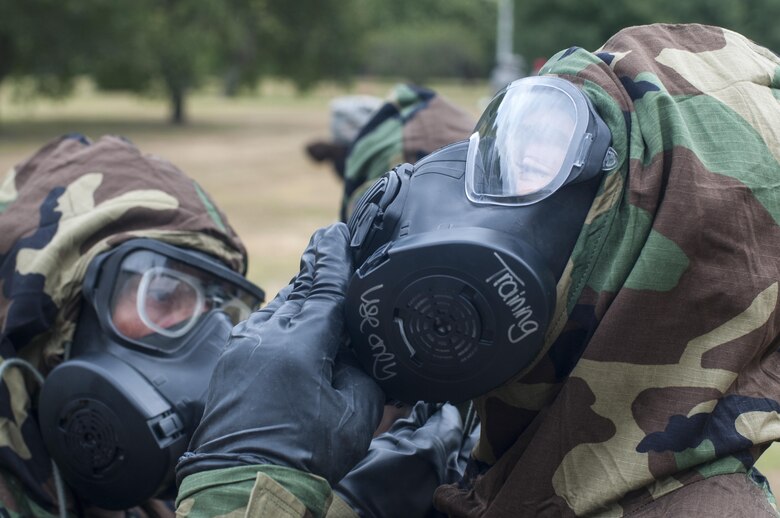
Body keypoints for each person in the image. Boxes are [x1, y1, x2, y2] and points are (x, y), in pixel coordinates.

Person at [175, 23, 780, 517]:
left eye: (542, 165)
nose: (480, 191)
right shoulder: (523, 480)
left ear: (652, 253)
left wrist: (244, 483)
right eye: (510, 143)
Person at [0, 134, 266, 517]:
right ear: (59, 315)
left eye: (224, 309)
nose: (213, 341)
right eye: (162, 295)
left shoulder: (148, 498)